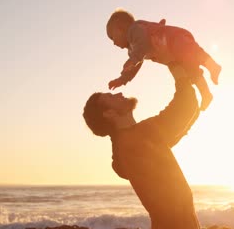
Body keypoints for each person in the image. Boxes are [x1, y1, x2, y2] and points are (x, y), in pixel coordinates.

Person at [83, 66, 201, 229]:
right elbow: (185, 106)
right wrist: (176, 69)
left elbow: (184, 115)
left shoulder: (129, 144)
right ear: (109, 114)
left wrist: (192, 92)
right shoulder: (138, 137)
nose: (119, 94)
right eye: (111, 97)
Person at [106, 8, 222, 111]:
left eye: (112, 37)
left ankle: (212, 65)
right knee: (191, 70)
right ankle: (205, 93)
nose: (114, 43)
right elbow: (134, 66)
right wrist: (122, 79)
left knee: (192, 53)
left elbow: (142, 43)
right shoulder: (133, 50)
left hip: (173, 39)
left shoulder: (134, 29)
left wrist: (133, 60)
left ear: (121, 27)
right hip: (171, 57)